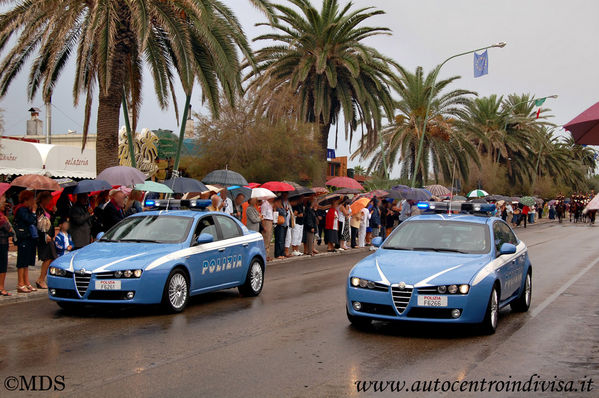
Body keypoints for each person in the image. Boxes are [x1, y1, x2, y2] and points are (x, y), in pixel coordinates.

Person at [14, 190, 38, 293]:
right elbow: (30, 220)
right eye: (31, 199)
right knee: (22, 261)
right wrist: (33, 212)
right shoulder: (21, 209)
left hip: (28, 238)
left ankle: (26, 282)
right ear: (26, 200)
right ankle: (20, 283)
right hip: (23, 237)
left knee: (26, 261)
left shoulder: (25, 209)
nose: (33, 201)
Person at [35, 191, 57, 289]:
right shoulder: (39, 210)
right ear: (43, 199)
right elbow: (40, 225)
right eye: (48, 199)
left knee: (51, 257)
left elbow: (50, 222)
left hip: (49, 236)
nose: (49, 201)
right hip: (44, 238)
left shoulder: (45, 209)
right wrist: (44, 235)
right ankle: (40, 279)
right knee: (48, 257)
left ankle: (43, 278)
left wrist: (54, 212)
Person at [0, 191, 14, 296]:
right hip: (2, 242)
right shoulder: (1, 217)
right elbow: (8, 229)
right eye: (4, 200)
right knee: (2, 264)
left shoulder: (3, 214)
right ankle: (1, 287)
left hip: (3, 241)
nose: (5, 202)